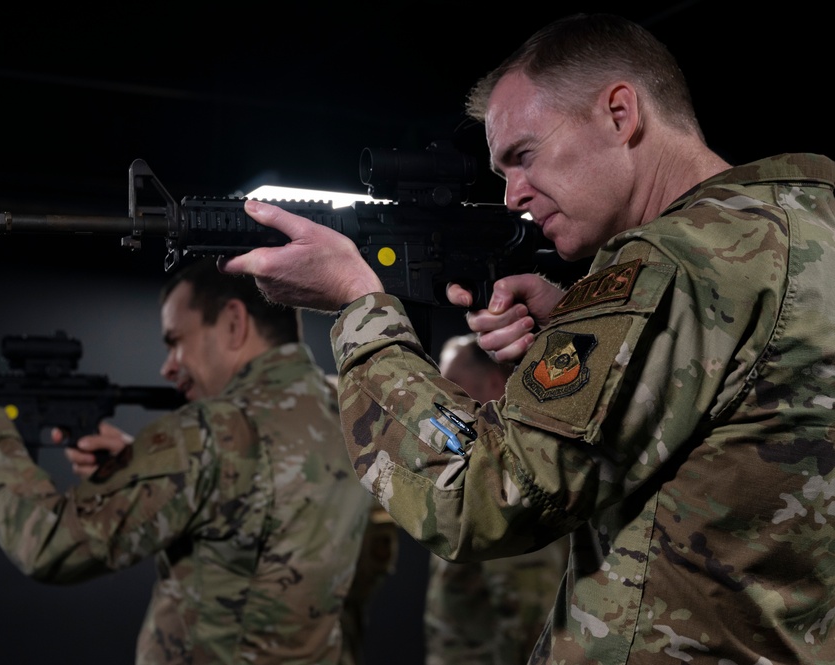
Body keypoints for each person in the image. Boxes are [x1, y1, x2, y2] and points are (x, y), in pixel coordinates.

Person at [217, 12, 835, 664]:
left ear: (619, 113)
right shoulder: (805, 223)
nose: (511, 194)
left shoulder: (670, 264)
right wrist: (586, 316)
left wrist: (359, 310)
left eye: (523, 155)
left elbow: (480, 496)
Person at [0, 257, 374, 665]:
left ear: (233, 322)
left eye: (175, 340)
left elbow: (48, 544)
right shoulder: (350, 410)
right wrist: (150, 469)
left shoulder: (208, 432)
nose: (167, 366)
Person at [424, 334, 567, 665]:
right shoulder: (475, 471)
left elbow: (527, 620)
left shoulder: (506, 481)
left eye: (453, 386)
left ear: (491, 384)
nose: (442, 400)